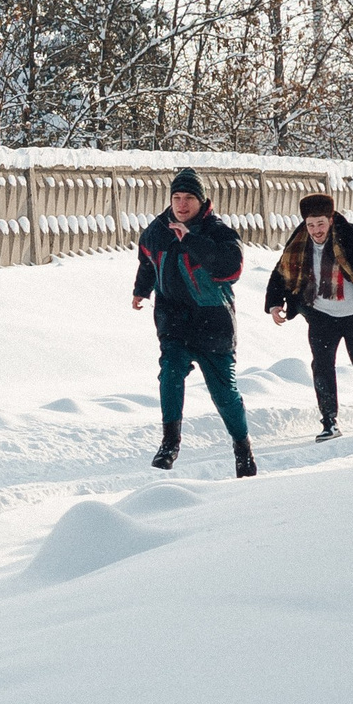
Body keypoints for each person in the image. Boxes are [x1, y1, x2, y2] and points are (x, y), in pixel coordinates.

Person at [133, 167, 257, 478]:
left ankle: (242, 448)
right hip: (174, 321)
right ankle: (169, 443)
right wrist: (141, 290)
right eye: (176, 197)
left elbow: (231, 269)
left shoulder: (219, 233)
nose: (182, 204)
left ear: (202, 201)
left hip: (213, 322)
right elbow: (148, 261)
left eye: (189, 198)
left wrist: (192, 241)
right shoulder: (157, 230)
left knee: (224, 393)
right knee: (170, 374)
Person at [264, 192, 353, 442]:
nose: (316, 230)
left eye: (321, 224)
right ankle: (329, 422)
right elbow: (281, 271)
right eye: (311, 225)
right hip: (321, 314)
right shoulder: (300, 240)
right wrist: (274, 303)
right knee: (322, 364)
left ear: (331, 219)